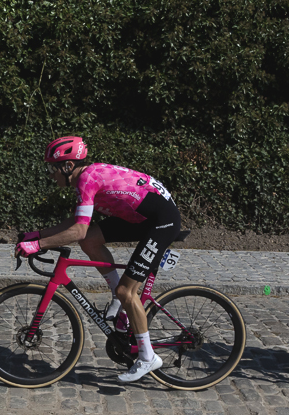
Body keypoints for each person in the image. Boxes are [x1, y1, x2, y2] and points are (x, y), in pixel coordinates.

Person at [16, 136, 183, 384]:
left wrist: (37, 245)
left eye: (52, 168)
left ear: (68, 166)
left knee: (127, 291)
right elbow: (78, 224)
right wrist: (37, 234)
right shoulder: (86, 178)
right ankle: (117, 296)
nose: (50, 174)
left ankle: (148, 357)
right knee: (90, 242)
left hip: (161, 222)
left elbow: (78, 231)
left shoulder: (87, 179)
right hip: (142, 217)